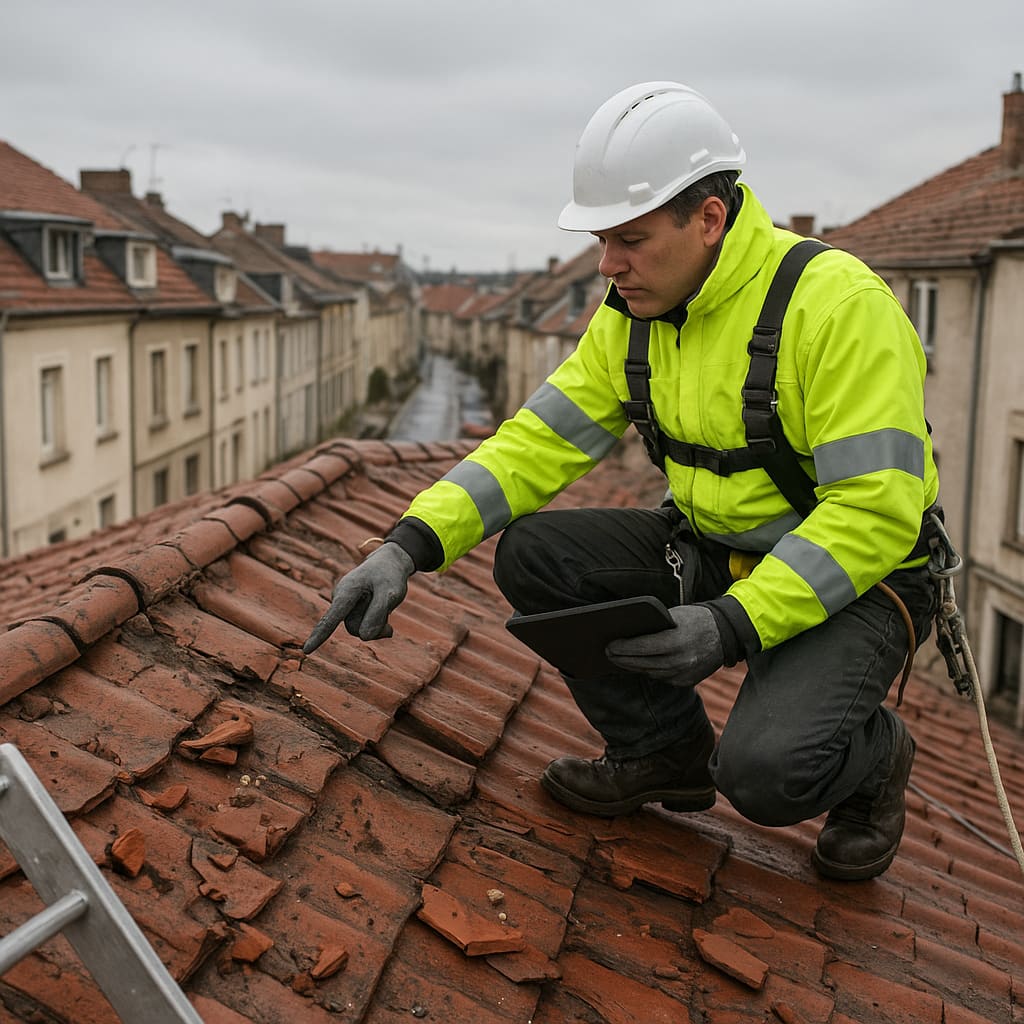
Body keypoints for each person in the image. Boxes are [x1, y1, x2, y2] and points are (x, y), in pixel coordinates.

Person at [304, 81, 940, 881]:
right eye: (603, 240)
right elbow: (535, 443)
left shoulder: (838, 308)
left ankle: (875, 765)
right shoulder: (631, 314)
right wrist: (407, 545)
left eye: (630, 239)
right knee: (535, 554)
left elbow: (875, 513)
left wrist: (731, 624)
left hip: (857, 582)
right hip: (714, 550)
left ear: (709, 219)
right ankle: (661, 753)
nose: (609, 265)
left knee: (764, 777)